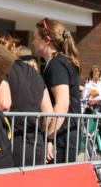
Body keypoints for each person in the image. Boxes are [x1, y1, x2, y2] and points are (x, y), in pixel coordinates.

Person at [34, 18, 81, 163]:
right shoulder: (57, 62)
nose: (33, 41)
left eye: (36, 38)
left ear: (47, 40)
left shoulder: (57, 64)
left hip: (62, 136)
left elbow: (62, 104)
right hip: (63, 134)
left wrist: (49, 138)